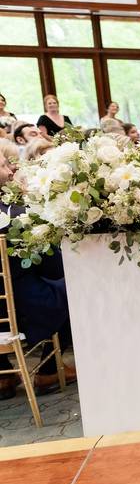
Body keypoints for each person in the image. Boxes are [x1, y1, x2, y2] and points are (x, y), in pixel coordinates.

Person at [0, 152, 77, 399]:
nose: (11, 171)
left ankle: (3, 376)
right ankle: (48, 370)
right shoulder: (16, 217)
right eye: (3, 165)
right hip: (19, 312)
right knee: (75, 288)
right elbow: (52, 267)